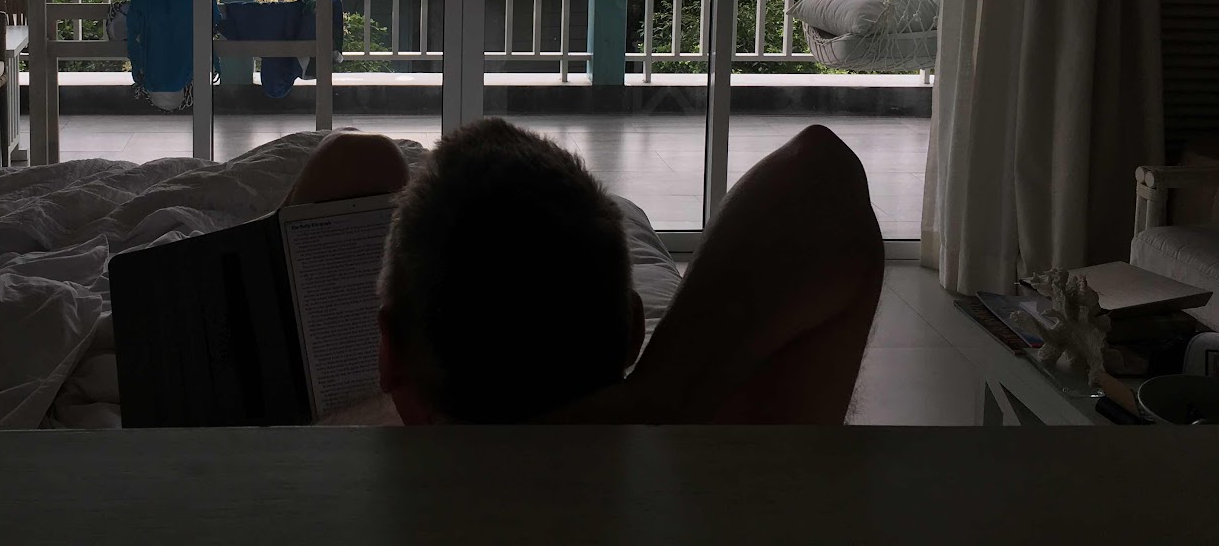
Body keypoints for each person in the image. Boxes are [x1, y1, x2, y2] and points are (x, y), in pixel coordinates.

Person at [286, 118, 884, 426]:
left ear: (388, 352)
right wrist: (656, 399)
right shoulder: (687, 477)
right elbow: (820, 170)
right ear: (633, 331)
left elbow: (357, 158)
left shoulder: (309, 468)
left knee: (365, 158)